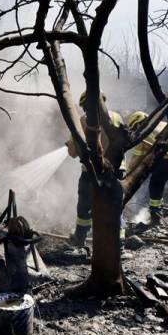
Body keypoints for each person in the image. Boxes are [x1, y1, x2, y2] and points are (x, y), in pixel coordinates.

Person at [67, 93, 124, 248]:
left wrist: (69, 146)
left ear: (86, 106)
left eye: (84, 106)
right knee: (114, 205)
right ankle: (119, 243)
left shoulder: (84, 121)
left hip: (90, 172)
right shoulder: (117, 117)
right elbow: (122, 143)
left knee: (85, 205)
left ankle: (80, 238)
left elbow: (73, 151)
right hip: (115, 170)